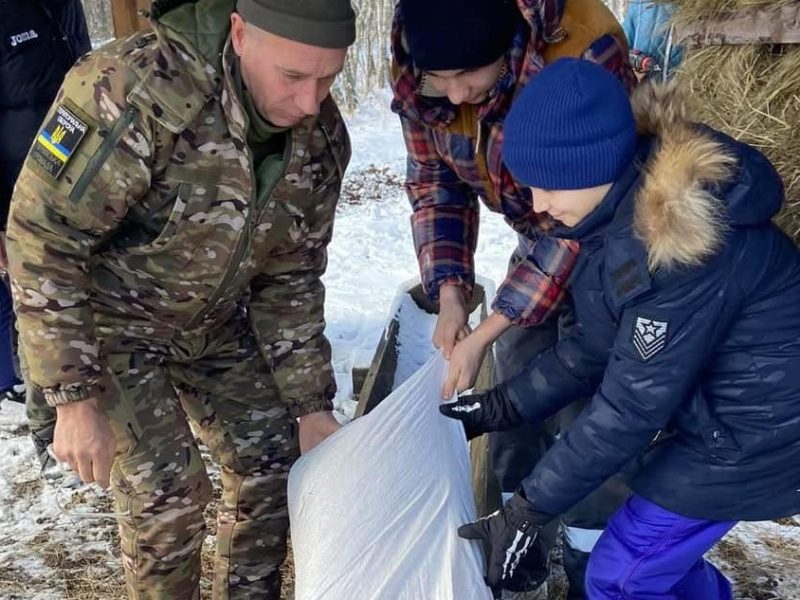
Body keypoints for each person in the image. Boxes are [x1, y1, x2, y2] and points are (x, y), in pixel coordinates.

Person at [6, 0, 354, 596]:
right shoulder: (134, 91)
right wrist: (70, 396)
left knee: (272, 459)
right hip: (106, 327)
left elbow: (290, 277)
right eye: (294, 76)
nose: (308, 102)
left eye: (328, 78)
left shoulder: (318, 141)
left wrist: (309, 403)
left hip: (208, 323)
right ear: (241, 34)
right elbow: (43, 234)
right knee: (169, 495)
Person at [441, 58, 800, 598]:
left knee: (620, 576)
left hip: (759, 435)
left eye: (548, 188)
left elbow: (629, 408)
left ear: (592, 166)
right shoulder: (621, 216)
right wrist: (501, 407)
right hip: (729, 417)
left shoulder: (674, 249)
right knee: (648, 568)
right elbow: (595, 347)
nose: (538, 207)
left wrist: (525, 510)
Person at [391, 0, 634, 596]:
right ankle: (513, 543)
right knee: (517, 377)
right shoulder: (418, 67)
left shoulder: (583, 48)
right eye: (436, 80)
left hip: (608, 238)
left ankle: (591, 564)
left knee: (595, 407)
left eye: (468, 76)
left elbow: (586, 212)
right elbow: (436, 185)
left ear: (509, 50)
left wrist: (485, 328)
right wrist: (452, 296)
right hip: (538, 233)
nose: (453, 95)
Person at [0, 0, 90, 418]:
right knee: (34, 307)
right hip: (20, 199)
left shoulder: (64, 5)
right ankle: (47, 426)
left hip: (86, 186)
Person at [623, 1, 683, 80]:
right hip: (645, 88)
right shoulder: (638, 5)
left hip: (681, 86)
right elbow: (622, 47)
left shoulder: (689, 8)